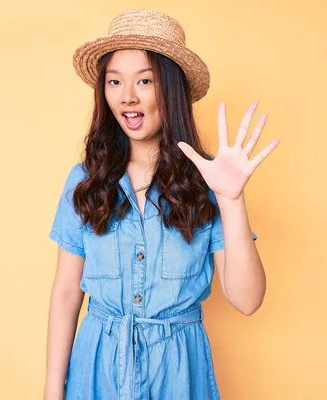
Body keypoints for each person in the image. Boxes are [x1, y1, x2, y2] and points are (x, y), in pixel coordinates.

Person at [43, 9, 280, 400]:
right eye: (115, 81)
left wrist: (232, 200)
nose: (127, 96)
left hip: (178, 373)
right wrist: (54, 389)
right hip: (97, 367)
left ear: (170, 90)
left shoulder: (208, 184)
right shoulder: (84, 180)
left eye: (145, 81)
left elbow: (247, 299)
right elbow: (67, 291)